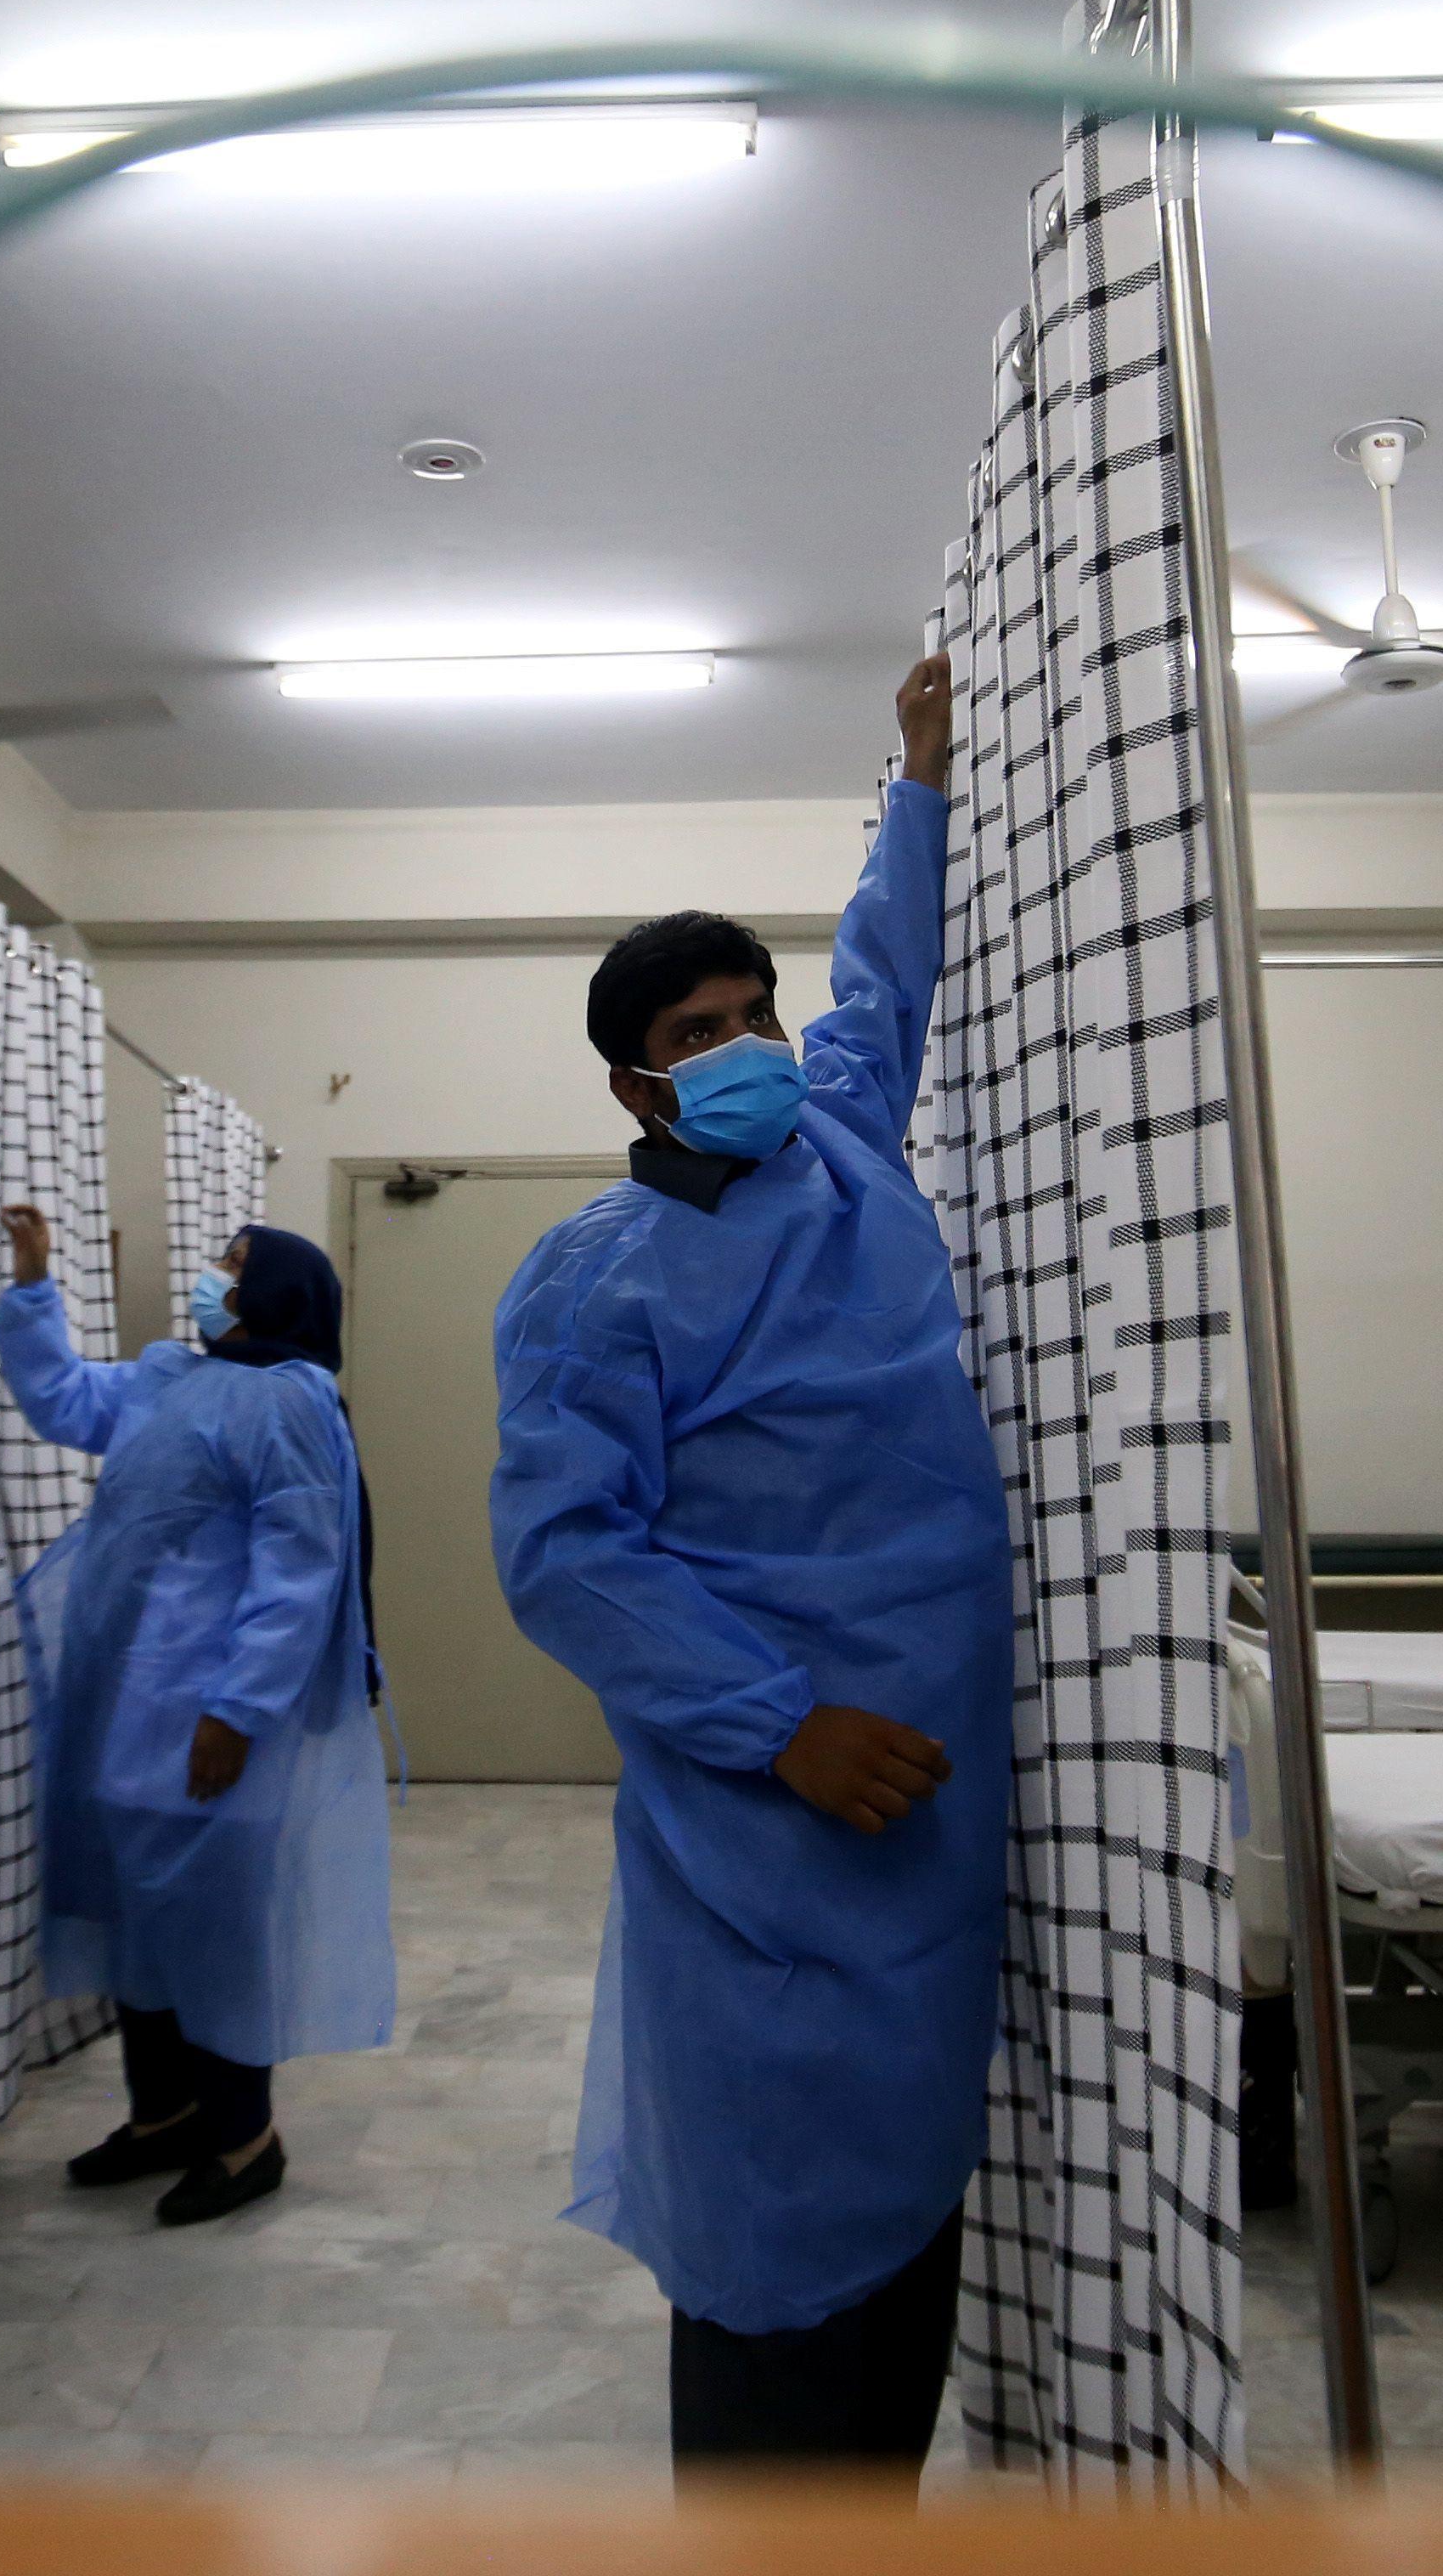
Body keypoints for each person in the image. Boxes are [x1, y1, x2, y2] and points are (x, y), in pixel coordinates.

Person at [488, 650, 1012, 2476]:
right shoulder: (592, 1279)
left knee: (914, 2217)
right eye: (699, 1036)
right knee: (778, 2238)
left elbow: (886, 971)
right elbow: (566, 1556)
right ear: (637, 1088)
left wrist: (920, 779)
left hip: (937, 1791)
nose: (747, 1050)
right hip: (777, 1814)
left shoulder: (849, 1143)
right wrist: (781, 1726)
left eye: (750, 1013)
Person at [0, 1210, 395, 2225]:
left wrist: (239, 1707)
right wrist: (35, 1288)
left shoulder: (290, 1402)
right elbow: (61, 1401)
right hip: (124, 1700)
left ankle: (245, 2139)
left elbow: (298, 1567)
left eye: (238, 1265)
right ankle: (163, 2114)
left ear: (285, 1294)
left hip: (211, 1712)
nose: (217, 1277)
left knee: (212, 1924)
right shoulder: (168, 1377)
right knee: (138, 1912)